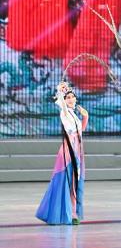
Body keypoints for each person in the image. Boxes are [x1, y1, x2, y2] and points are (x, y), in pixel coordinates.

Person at [36, 81, 88, 225]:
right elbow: (63, 107)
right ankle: (67, 213)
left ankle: (72, 212)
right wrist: (60, 91)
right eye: (68, 97)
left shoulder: (74, 115)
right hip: (68, 151)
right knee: (66, 181)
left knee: (74, 182)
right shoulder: (64, 112)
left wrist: (85, 117)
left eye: (72, 97)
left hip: (77, 150)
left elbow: (80, 131)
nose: (71, 99)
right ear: (63, 101)